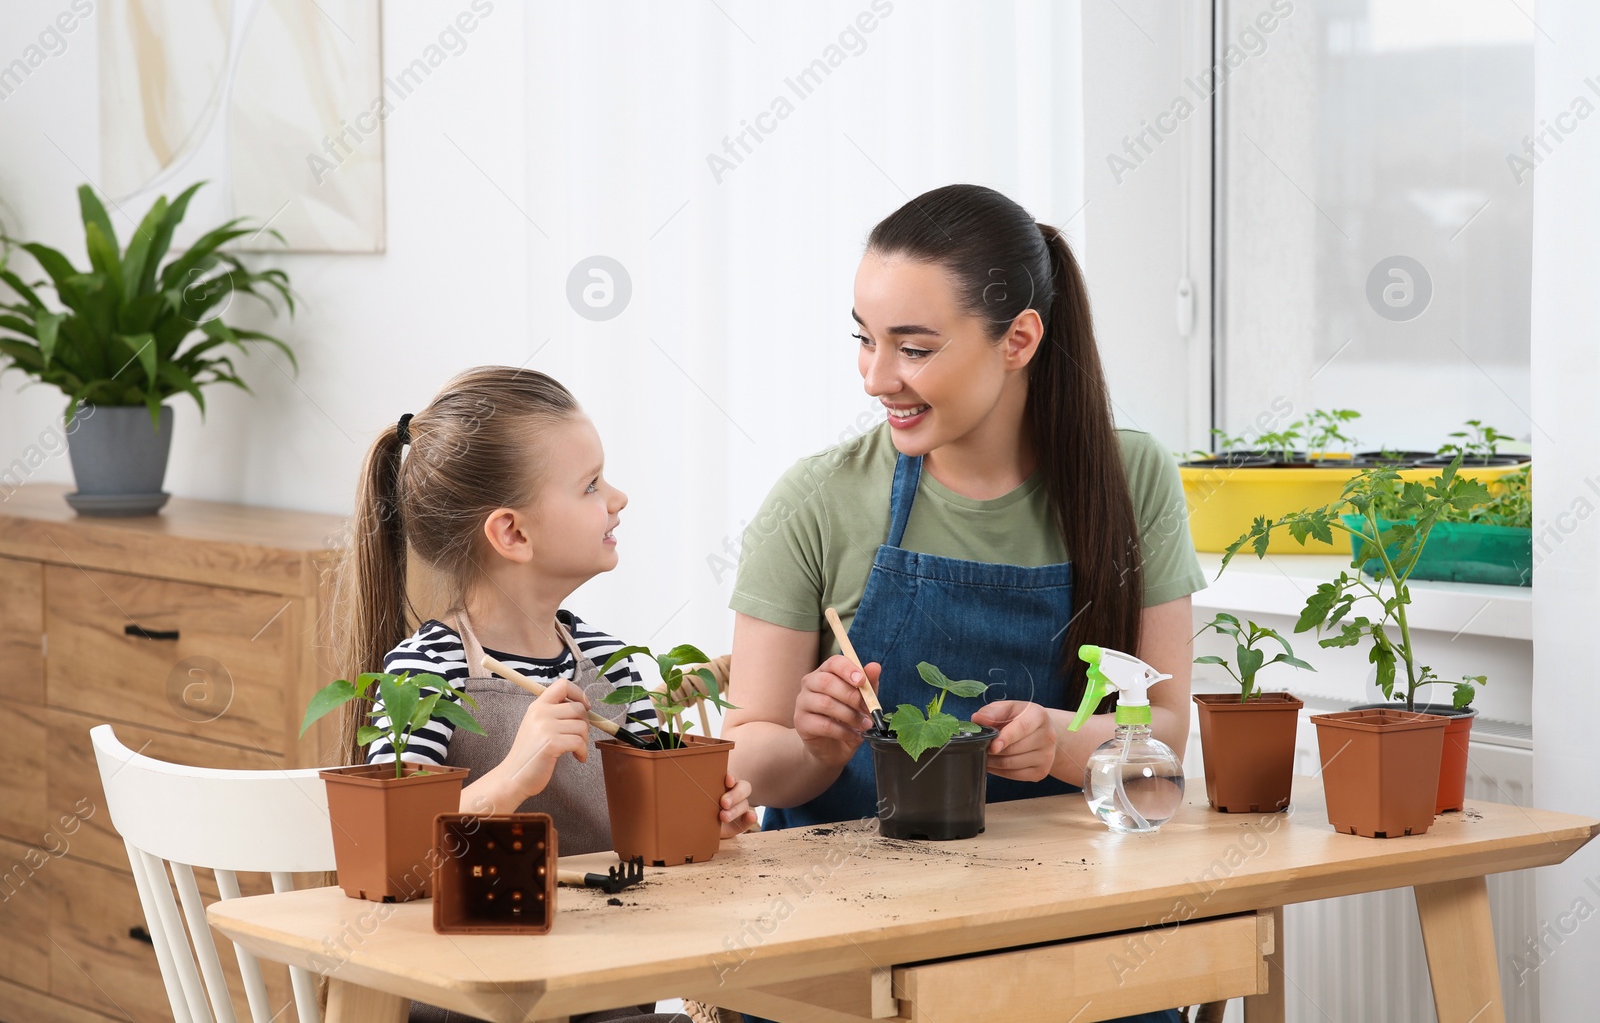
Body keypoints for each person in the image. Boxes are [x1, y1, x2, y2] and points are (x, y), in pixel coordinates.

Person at [724, 185, 1206, 1023]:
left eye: (912, 347)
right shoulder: (818, 497)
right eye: (864, 341)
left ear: (1018, 338)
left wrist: (1057, 740)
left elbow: (1161, 742)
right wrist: (815, 746)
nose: (878, 377)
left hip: (1068, 927)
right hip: (848, 937)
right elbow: (747, 752)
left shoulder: (1130, 480)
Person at [336, 366, 757, 1023]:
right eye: (590, 484)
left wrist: (710, 822)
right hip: (472, 1006)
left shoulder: (614, 668)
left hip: (605, 994)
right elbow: (395, 866)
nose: (619, 497)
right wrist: (509, 777)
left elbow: (656, 858)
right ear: (513, 533)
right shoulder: (422, 673)